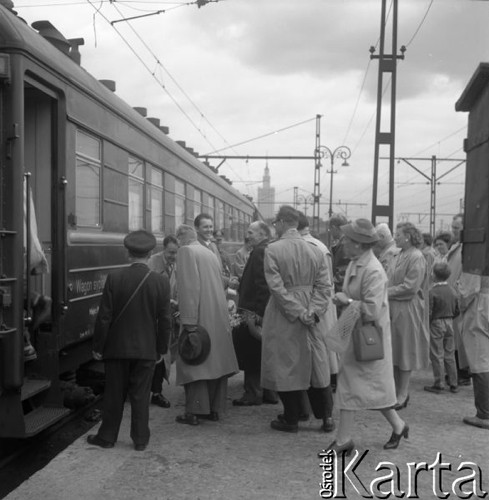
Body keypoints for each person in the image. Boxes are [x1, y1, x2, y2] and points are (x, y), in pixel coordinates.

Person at [87, 230, 172, 451]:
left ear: (128, 253)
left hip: (117, 348)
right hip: (146, 350)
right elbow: (165, 321)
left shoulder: (114, 278)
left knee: (114, 394)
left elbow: (104, 317)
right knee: (141, 395)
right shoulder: (161, 283)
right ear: (151, 252)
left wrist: (98, 347)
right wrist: (161, 349)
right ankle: (140, 440)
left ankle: (107, 437)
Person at [329, 218, 407, 453]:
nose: (343, 242)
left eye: (347, 239)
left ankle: (343, 441)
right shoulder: (357, 262)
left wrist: (348, 300)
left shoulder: (372, 269)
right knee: (371, 388)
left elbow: (372, 309)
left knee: (351, 385)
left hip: (365, 336)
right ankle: (398, 425)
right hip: (358, 333)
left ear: (359, 244)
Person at [260, 205, 330, 433]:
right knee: (316, 363)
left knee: (286, 364)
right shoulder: (315, 250)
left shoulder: (272, 250)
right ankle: (326, 417)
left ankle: (291, 417)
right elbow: (324, 287)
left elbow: (276, 288)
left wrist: (297, 311)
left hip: (285, 313)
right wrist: (313, 311)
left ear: (281, 223)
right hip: (311, 310)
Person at [174, 224, 239, 425]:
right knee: (215, 364)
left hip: (199, 315)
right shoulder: (209, 252)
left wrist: (188, 321)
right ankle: (214, 409)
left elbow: (189, 289)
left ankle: (195, 411)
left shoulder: (186, 251)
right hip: (216, 315)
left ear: (179, 239)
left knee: (196, 362)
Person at [297, 212, 336, 432]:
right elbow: (328, 284)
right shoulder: (321, 246)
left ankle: (302, 410)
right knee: (320, 364)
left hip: (307, 311)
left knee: (305, 362)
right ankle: (325, 415)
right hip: (321, 310)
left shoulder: (302, 248)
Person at [232, 221, 278, 406]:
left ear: (262, 234)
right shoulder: (267, 248)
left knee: (251, 353)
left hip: (252, 311)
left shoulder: (260, 251)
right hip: (258, 309)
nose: (247, 235)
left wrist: (258, 315)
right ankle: (270, 393)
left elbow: (262, 284)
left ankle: (252, 393)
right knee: (263, 353)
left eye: (251, 232)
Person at [388, 222, 429, 410]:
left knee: (404, 350)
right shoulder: (399, 255)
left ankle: (403, 393)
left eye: (397, 234)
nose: (394, 237)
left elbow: (411, 287)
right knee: (396, 351)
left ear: (408, 237)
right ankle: (398, 391)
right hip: (394, 308)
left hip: (407, 309)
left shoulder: (416, 257)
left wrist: (385, 292)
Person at [147, 235, 179, 409]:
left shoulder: (178, 263)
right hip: (153, 319)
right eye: (170, 252)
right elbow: (148, 290)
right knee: (154, 356)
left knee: (163, 356)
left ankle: (157, 393)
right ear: (163, 249)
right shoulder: (153, 262)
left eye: (175, 252)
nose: (172, 256)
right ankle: (145, 391)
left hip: (168, 319)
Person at [458, 273, 489, 430]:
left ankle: (484, 414)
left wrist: (460, 304)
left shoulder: (478, 249)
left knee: (480, 361)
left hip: (481, 304)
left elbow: (470, 288)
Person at [424, 262, 460, 394]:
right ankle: (454, 382)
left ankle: (439, 383)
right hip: (450, 321)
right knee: (449, 353)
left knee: (437, 353)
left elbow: (429, 311)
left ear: (434, 275)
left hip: (437, 322)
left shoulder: (432, 291)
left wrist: (428, 322)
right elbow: (457, 309)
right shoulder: (452, 290)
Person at [446, 213, 471, 386]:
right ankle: (456, 372)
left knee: (459, 340)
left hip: (459, 301)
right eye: (453, 226)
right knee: (454, 339)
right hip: (452, 300)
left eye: (457, 227)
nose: (453, 230)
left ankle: (462, 373)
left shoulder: (467, 250)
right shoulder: (456, 247)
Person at [329, 213, 350, 293]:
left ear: (334, 228)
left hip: (342, 293)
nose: (330, 232)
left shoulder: (343, 245)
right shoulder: (346, 242)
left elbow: (342, 273)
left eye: (330, 229)